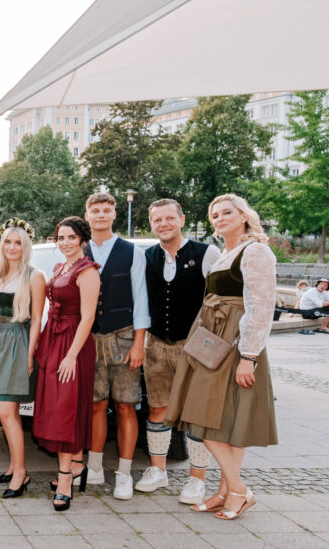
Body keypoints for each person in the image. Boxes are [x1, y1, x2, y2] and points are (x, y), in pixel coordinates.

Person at [165, 194, 278, 520]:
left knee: (209, 420)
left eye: (227, 212)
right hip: (213, 340)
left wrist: (249, 356)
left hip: (235, 344)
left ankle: (239, 491)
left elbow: (261, 307)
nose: (219, 218)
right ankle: (227, 490)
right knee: (224, 419)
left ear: (244, 215)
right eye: (214, 214)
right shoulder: (227, 252)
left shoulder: (256, 251)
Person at [137, 199, 221, 503]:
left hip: (195, 343)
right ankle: (157, 471)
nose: (163, 224)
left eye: (169, 218)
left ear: (182, 220)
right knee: (157, 408)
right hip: (157, 342)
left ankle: (197, 479)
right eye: (157, 220)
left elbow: (220, 300)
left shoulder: (206, 253)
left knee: (196, 413)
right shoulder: (146, 256)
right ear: (151, 224)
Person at [82, 192, 150, 500]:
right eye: (95, 210)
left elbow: (141, 299)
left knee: (125, 405)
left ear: (114, 214)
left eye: (106, 210)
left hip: (123, 337)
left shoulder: (131, 251)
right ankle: (94, 466)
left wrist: (139, 343)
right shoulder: (79, 249)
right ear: (87, 215)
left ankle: (124, 472)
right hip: (89, 339)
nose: (100, 215)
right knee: (95, 404)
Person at [0, 219, 45, 497]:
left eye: (18, 243)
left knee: (5, 411)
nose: (12, 247)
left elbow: (37, 319)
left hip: (19, 341)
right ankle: (15, 466)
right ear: (1, 245)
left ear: (25, 247)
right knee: (7, 412)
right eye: (8, 242)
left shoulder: (34, 276)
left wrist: (29, 355)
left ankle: (22, 473)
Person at [33, 216, 100, 512]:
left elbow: (88, 317)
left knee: (66, 409)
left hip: (74, 342)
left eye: (71, 237)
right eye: (60, 237)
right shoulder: (61, 267)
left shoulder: (87, 271)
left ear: (83, 240)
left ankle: (64, 480)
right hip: (54, 339)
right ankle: (76, 464)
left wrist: (71, 355)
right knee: (58, 406)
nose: (65, 242)